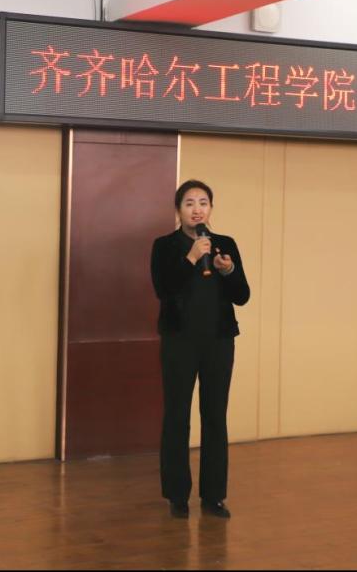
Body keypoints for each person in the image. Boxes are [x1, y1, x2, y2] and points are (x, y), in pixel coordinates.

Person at [150, 179, 250, 519]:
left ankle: (214, 496)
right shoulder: (164, 246)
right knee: (177, 416)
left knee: (215, 416)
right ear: (178, 210)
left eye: (203, 203)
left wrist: (229, 270)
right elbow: (163, 290)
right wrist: (191, 258)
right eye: (189, 203)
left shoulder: (225, 244)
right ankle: (177, 495)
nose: (197, 209)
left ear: (210, 208)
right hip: (179, 341)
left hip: (218, 342)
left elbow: (242, 295)